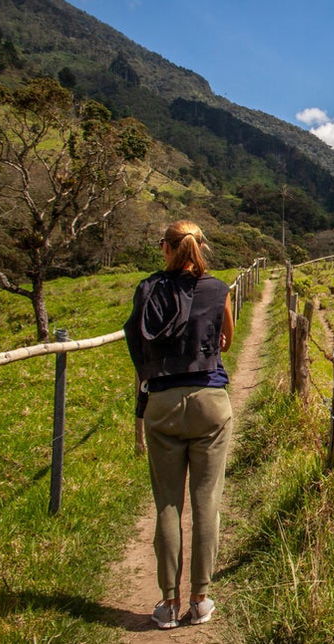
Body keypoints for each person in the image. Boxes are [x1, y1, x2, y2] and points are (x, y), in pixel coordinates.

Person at [123, 220, 234, 630]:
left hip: (162, 403)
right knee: (206, 503)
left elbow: (136, 341)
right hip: (210, 401)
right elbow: (226, 342)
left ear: (166, 248)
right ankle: (200, 599)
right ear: (201, 248)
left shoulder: (148, 289)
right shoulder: (218, 289)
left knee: (167, 505)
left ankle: (168, 603)